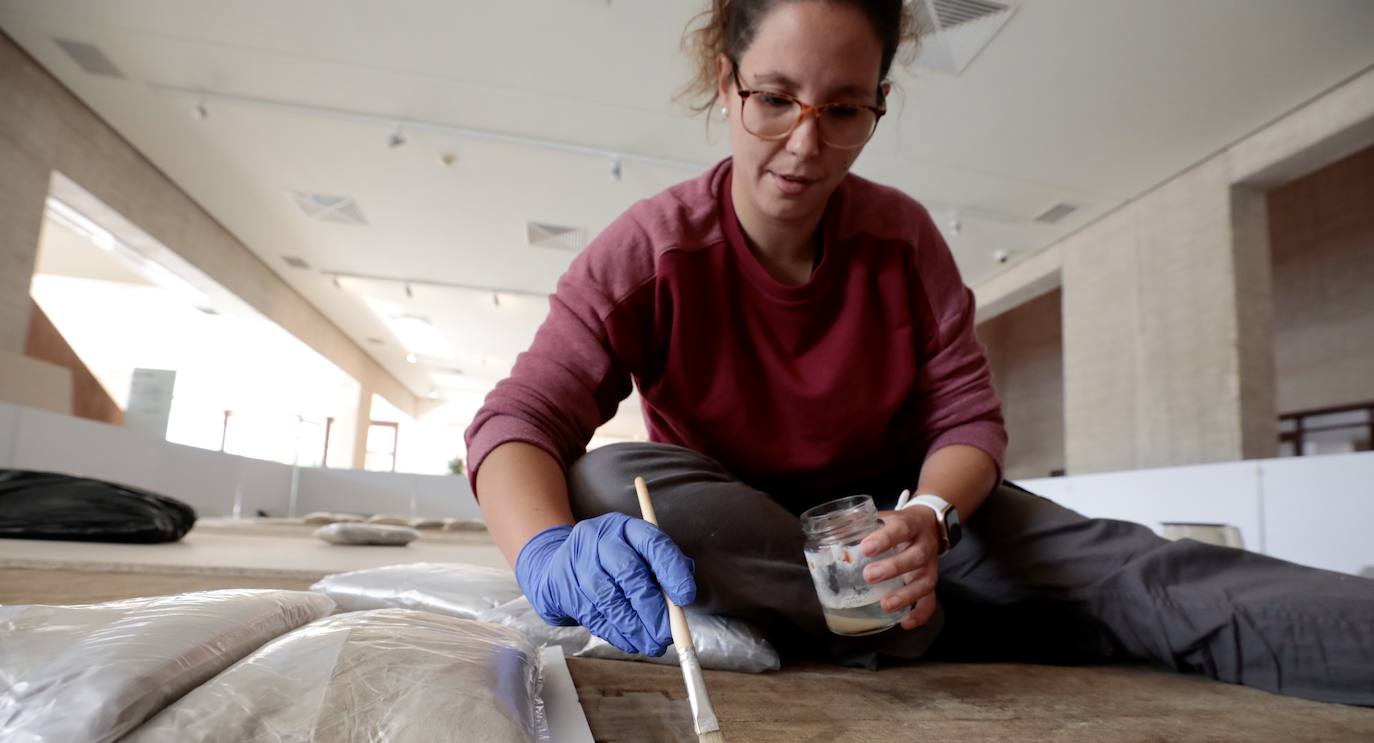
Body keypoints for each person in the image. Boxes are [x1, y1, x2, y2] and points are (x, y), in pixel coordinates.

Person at [465, 0, 1373, 705]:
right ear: (727, 78)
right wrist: (543, 551)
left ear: (877, 105)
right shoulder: (652, 249)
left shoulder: (901, 239)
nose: (806, 145)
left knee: (1157, 576)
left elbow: (968, 420)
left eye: (845, 109)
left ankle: (922, 617)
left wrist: (932, 518)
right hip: (752, 538)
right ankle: (916, 626)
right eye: (775, 99)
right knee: (605, 482)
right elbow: (519, 423)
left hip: (920, 531)